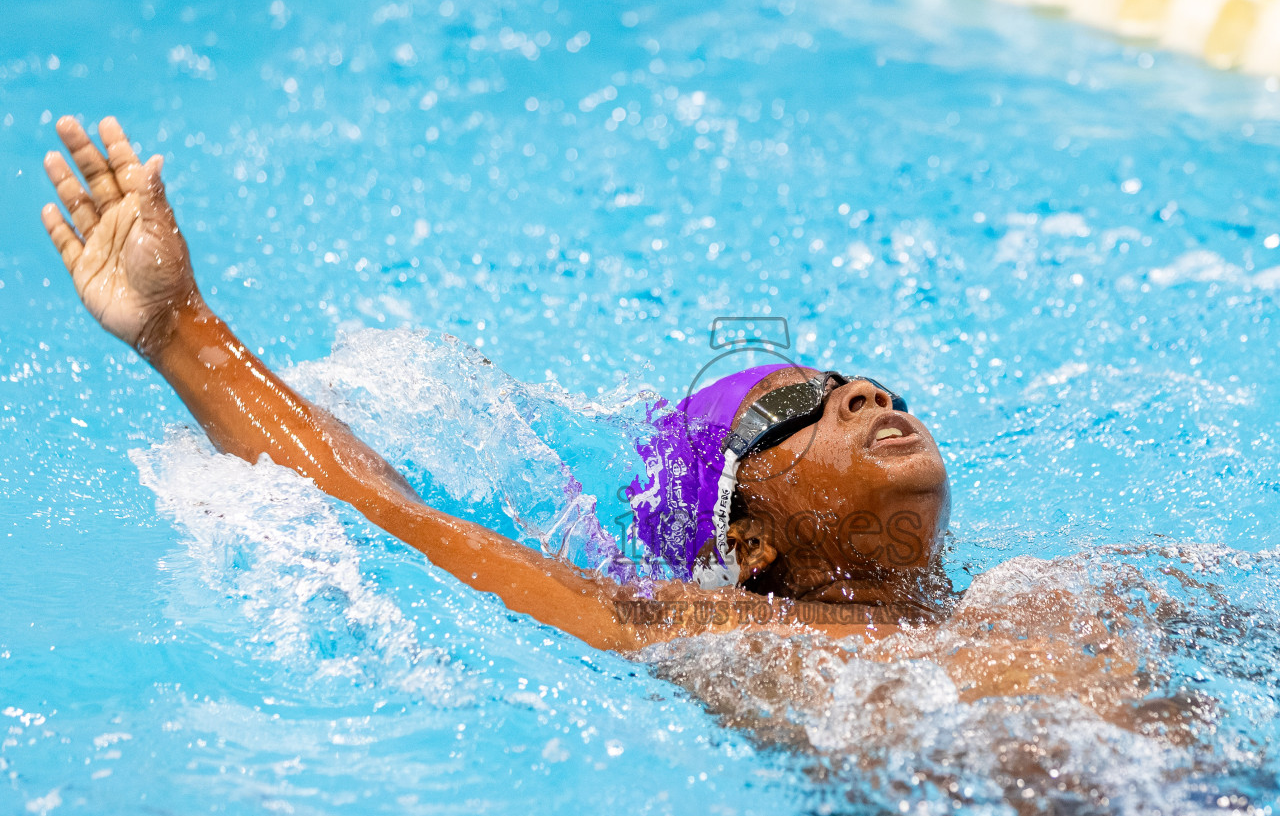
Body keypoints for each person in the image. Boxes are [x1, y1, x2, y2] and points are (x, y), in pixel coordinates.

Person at [39, 115, 1176, 732]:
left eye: (871, 384)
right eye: (795, 409)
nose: (864, 397)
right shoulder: (715, 630)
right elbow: (405, 525)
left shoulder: (1047, 591)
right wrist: (183, 330)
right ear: (750, 542)